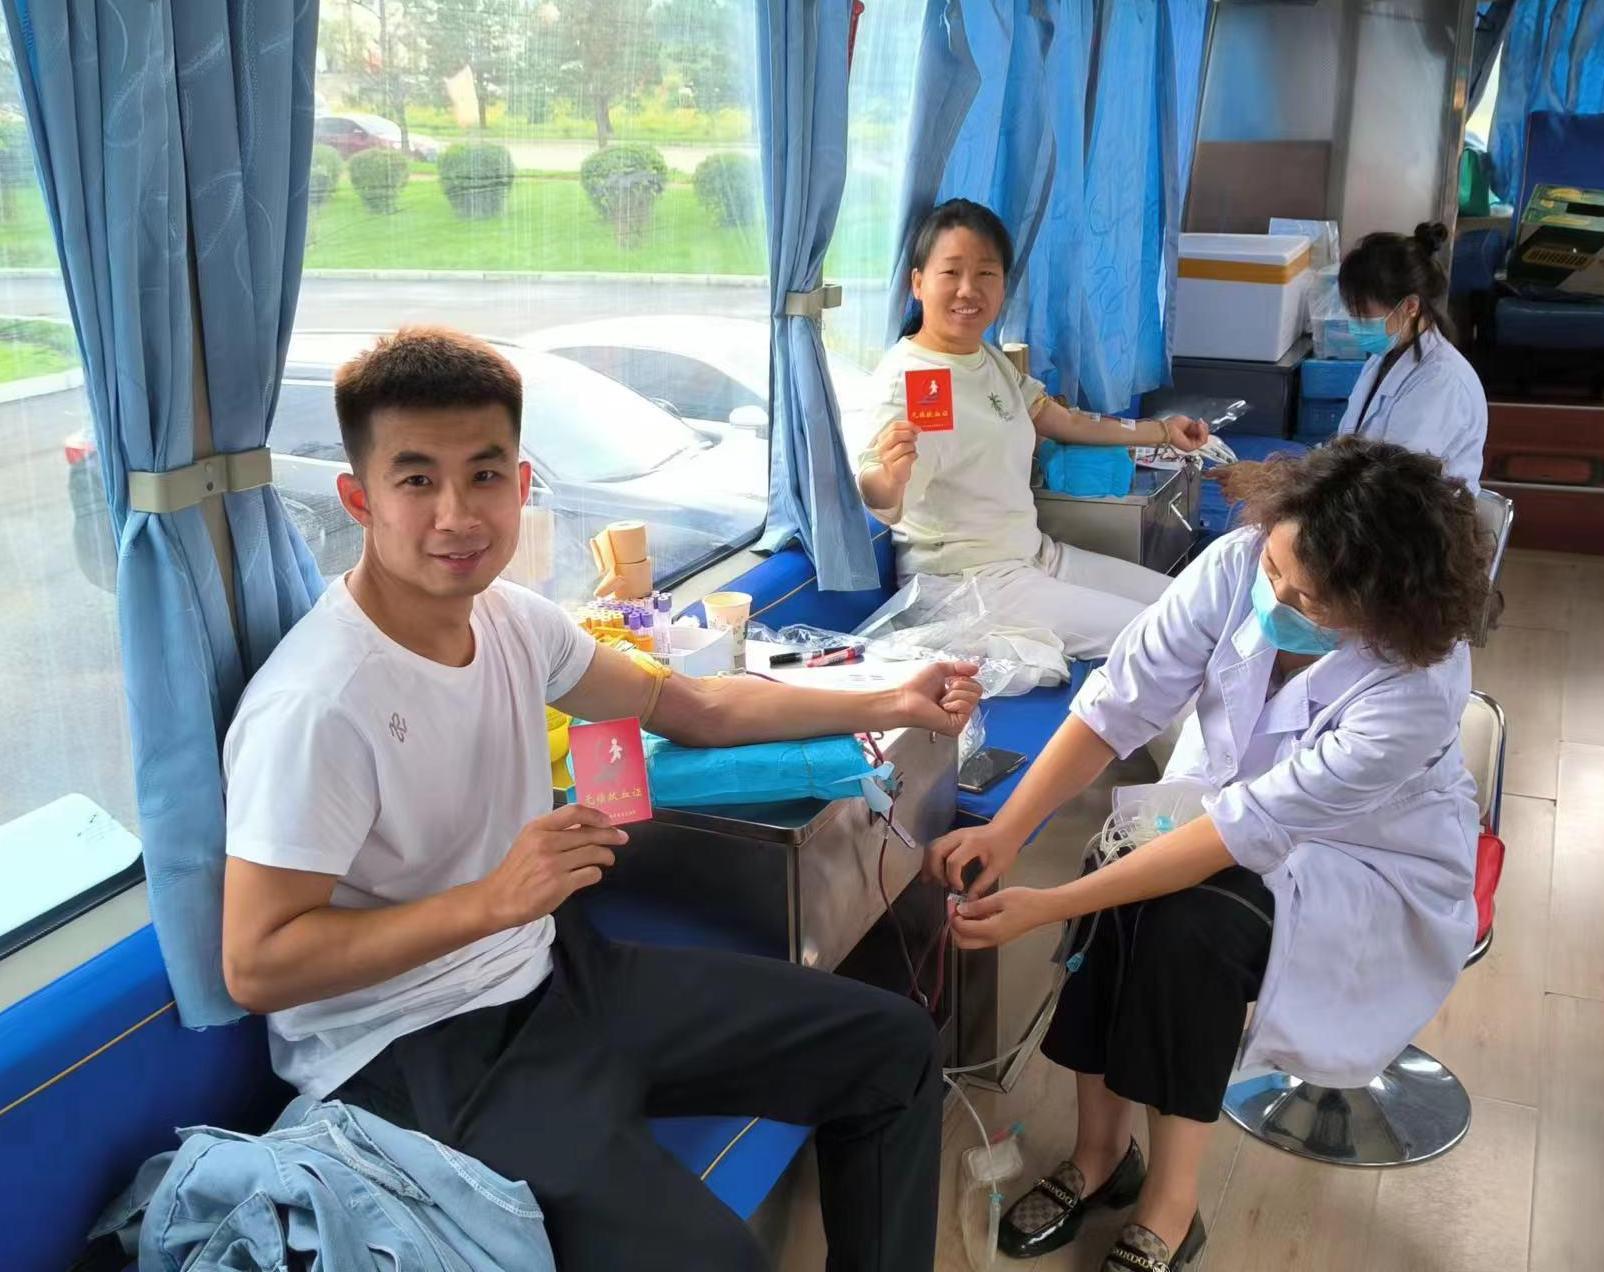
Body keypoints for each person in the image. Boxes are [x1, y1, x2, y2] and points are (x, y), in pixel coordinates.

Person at [219, 327, 986, 1272]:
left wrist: (889, 702)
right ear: (358, 499)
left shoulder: (514, 621)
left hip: (556, 972)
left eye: (483, 475)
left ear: (521, 483)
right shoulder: (317, 702)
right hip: (414, 1047)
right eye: (416, 480)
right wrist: (493, 900)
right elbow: (257, 963)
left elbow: (694, 707)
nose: (456, 514)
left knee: (893, 1046)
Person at [925, 439, 1489, 1271]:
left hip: (1365, 860)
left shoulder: (1415, 685)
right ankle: (1101, 1156)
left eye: (1312, 599)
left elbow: (1244, 831)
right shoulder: (1235, 566)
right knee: (1111, 879)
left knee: (1195, 927)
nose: (1278, 598)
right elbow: (1118, 704)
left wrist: (1044, 909)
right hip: (1227, 803)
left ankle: (1172, 1204)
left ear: (1381, 609)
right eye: (1276, 567)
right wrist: (1005, 832)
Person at [853, 198, 1210, 659]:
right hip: (965, 585)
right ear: (918, 283)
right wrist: (889, 477)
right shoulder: (908, 379)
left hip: (1034, 555)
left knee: (1193, 608)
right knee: (1170, 639)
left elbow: (1063, 420)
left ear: (1003, 285)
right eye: (951, 272)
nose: (968, 289)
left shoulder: (987, 359)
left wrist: (1160, 432)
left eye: (986, 273)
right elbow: (882, 497)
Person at [1336, 222, 1488, 492]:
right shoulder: (1386, 357)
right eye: (1352, 311)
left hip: (1416, 512)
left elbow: (1398, 480)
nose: (1355, 322)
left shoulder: (1442, 381)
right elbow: (1350, 447)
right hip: (1371, 503)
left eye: (1364, 312)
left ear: (1409, 306)